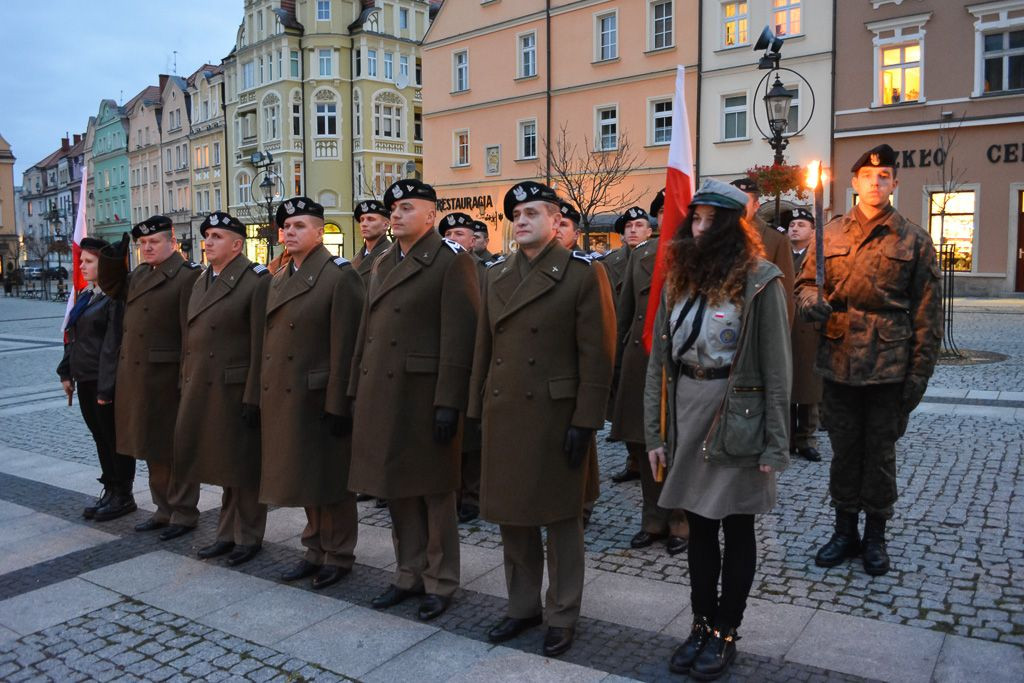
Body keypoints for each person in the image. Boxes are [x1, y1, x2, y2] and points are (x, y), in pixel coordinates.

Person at [645, 179, 791, 680]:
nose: (700, 227)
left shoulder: (761, 278)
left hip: (737, 411)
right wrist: (654, 432)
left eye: (710, 220)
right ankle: (701, 623)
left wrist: (776, 440)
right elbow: (659, 364)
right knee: (700, 524)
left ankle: (728, 629)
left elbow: (777, 366)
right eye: (696, 219)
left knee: (737, 523)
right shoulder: (678, 276)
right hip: (686, 404)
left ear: (732, 227)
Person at [469, 181, 615, 657]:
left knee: (562, 520)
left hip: (557, 417)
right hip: (506, 410)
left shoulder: (580, 274)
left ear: (556, 221)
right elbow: (483, 351)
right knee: (513, 516)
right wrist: (477, 411)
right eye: (516, 214)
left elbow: (598, 355)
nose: (522, 220)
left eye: (533, 212)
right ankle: (522, 606)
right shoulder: (496, 274)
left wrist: (586, 421)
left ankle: (563, 613)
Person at [796, 144, 941, 576]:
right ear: (854, 183)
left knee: (879, 455)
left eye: (884, 177)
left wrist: (917, 377)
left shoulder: (913, 239)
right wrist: (811, 304)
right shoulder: (831, 233)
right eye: (868, 177)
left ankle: (875, 536)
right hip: (838, 362)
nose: (876, 183)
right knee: (843, 451)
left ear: (895, 183)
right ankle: (844, 532)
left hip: (888, 368)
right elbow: (803, 286)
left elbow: (927, 315)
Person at [349, 179, 479, 621]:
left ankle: (441, 580)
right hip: (384, 393)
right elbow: (366, 333)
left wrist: (449, 401)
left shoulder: (449, 261)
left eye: (407, 207)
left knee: (435, 492)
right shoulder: (384, 261)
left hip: (425, 395)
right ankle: (408, 573)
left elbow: (460, 335)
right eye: (394, 209)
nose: (397, 215)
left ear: (430, 214)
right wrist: (355, 389)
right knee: (396, 488)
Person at [260, 197, 365, 589]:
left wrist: (340, 403)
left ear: (320, 232)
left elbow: (347, 345)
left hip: (321, 396)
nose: (289, 232)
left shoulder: (339, 276)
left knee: (331, 479)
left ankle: (339, 553)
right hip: (289, 395)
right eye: (286, 227)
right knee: (304, 475)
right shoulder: (280, 276)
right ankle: (314, 547)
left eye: (299, 226)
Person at [174, 212, 271, 567]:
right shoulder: (202, 279)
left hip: (235, 388)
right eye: (207, 236)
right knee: (222, 464)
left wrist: (253, 395)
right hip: (203, 384)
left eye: (216, 236)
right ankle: (226, 533)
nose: (208, 242)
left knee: (243, 467)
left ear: (237, 244)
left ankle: (249, 536)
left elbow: (262, 343)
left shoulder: (255, 280)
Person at [99, 216, 202, 541]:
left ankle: (183, 512)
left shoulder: (187, 277)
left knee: (174, 449)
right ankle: (163, 509)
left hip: (167, 377)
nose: (147, 248)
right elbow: (113, 288)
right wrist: (113, 260)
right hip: (139, 379)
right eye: (142, 244)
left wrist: (186, 379)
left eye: (153, 242)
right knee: (151, 447)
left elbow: (191, 333)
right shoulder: (141, 273)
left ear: (172, 241)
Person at [611, 190, 688, 555]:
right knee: (644, 444)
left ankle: (681, 521)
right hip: (641, 359)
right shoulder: (642, 255)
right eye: (663, 212)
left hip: (684, 364)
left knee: (679, 441)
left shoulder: (697, 259)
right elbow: (624, 314)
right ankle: (652, 519)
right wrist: (618, 365)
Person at [57, 237, 136, 521]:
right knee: (100, 437)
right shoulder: (88, 296)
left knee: (114, 439)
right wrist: (66, 371)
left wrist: (106, 389)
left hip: (104, 382)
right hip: (86, 378)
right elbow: (73, 337)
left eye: (88, 261)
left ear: (105, 265)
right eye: (81, 261)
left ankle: (123, 495)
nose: (82, 266)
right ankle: (111, 489)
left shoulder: (113, 300)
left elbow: (112, 346)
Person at [440, 211, 485, 524]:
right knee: (449, 435)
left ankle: (473, 496)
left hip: (474, 361)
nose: (454, 239)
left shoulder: (488, 269)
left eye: (460, 234)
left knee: (471, 437)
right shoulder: (441, 269)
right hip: (446, 361)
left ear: (473, 240)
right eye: (450, 234)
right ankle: (451, 493)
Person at [783, 208, 823, 462]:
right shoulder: (781, 254)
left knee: (809, 387)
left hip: (810, 328)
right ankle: (784, 437)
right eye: (792, 225)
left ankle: (806, 438)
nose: (795, 228)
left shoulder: (820, 257)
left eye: (801, 224)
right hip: (785, 325)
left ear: (812, 231)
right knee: (784, 383)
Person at [731, 178, 795, 324]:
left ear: (756, 206)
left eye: (743, 202)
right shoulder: (716, 235)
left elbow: (786, 294)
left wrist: (780, 338)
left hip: (758, 323)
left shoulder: (775, 238)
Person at [352, 199, 392, 284]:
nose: (364, 224)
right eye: (362, 220)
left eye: (370, 219)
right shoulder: (355, 259)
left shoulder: (392, 255)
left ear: (385, 225)